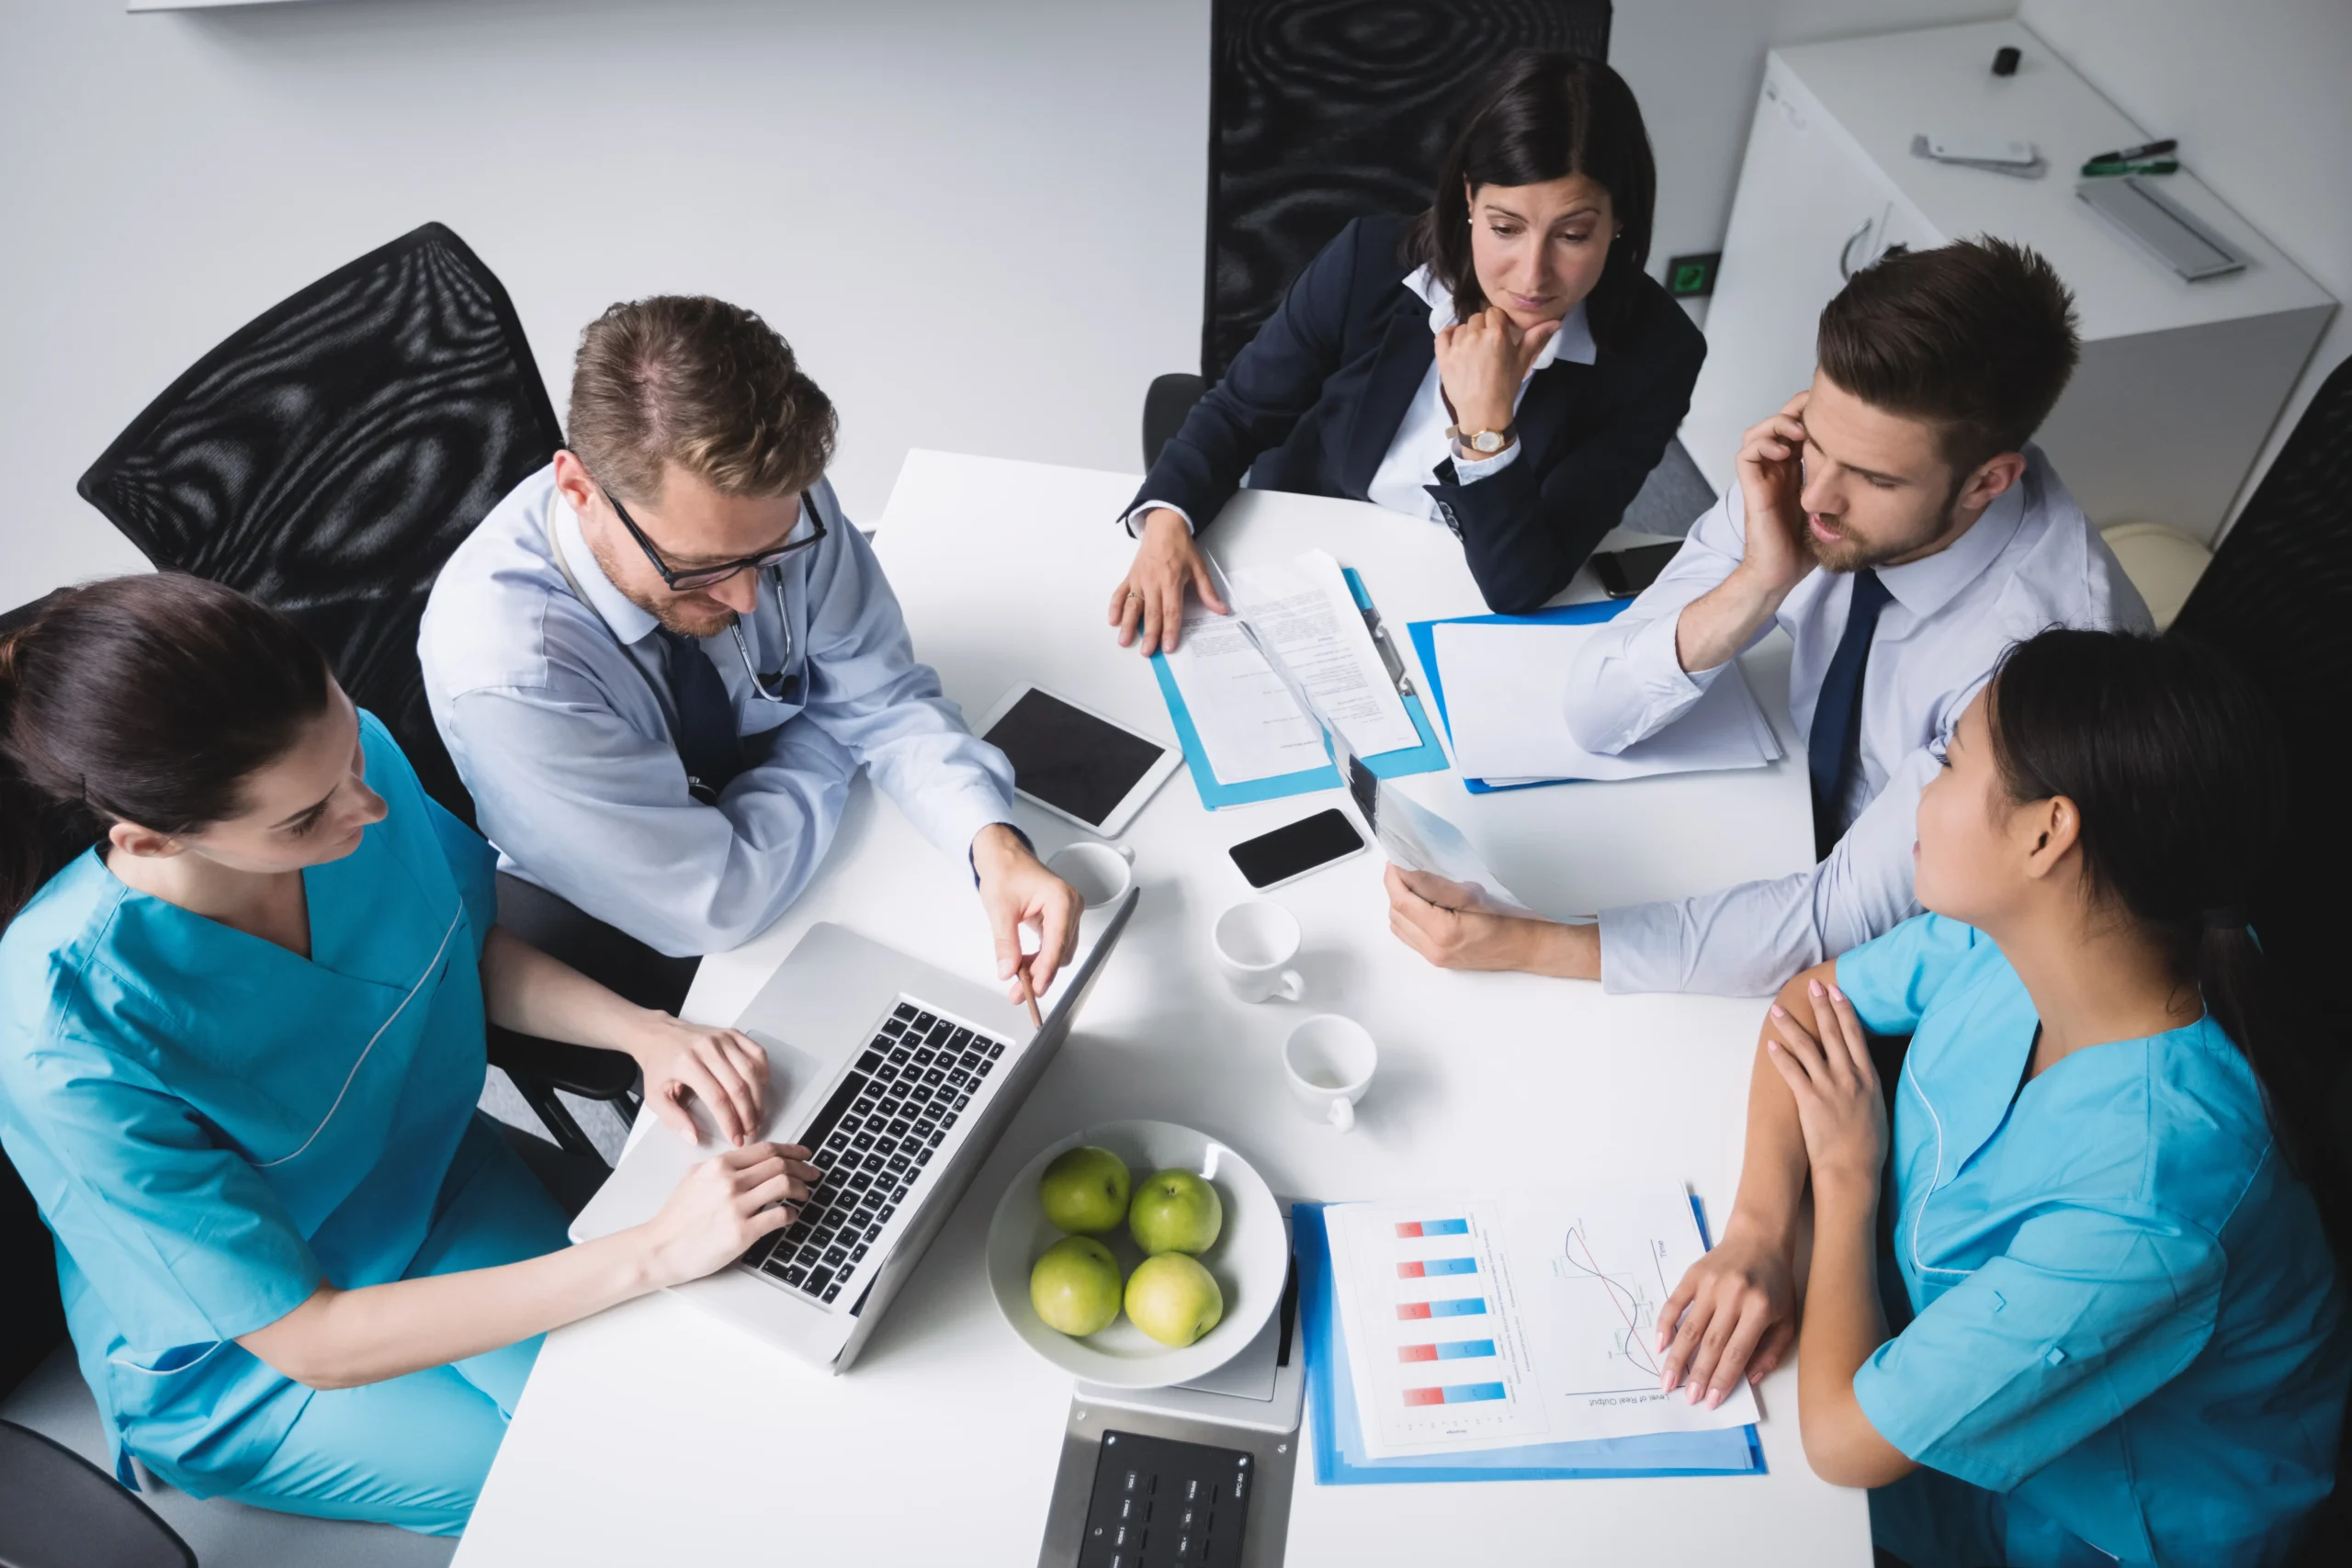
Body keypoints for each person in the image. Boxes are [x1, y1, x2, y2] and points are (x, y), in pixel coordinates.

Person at [0, 575, 812, 1535]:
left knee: (695, 1402)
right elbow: (311, 1338)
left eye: (347, 749)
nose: (364, 806)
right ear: (151, 838)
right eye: (302, 820)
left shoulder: (347, 767)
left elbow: (449, 938)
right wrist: (653, 1252)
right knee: (596, 1487)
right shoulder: (65, 1031)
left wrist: (640, 1031)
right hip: (252, 1356)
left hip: (431, 1186)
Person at [1657, 629, 2347, 1567]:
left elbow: (1845, 1444)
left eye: (1946, 760)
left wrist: (1847, 1180)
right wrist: (1759, 1233)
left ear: (2043, 832)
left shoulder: (2152, 1196)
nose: (1921, 785)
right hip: (1927, 1367)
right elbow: (1807, 1005)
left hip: (2089, 1519)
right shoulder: (2040, 930)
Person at [1385, 238, 2150, 995]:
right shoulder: (1812, 473)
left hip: (1946, 947)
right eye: (1818, 439)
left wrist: (1532, 941)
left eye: (1874, 478)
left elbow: (1837, 916)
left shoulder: (2041, 656)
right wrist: (1758, 579)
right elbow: (1596, 710)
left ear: (1988, 482)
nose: (1818, 497)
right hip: (1779, 817)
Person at [421, 295, 1079, 1010]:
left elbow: (885, 697)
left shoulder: (765, 498)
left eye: (770, 557)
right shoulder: (510, 679)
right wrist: (827, 725)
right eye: (699, 566)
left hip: (794, 837)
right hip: (638, 911)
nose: (747, 599)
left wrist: (992, 843)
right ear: (580, 490)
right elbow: (717, 902)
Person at [1110, 50, 1704, 649]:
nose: (1532, 275)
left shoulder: (1656, 358)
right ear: (1469, 198)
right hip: (1316, 559)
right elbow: (1238, 411)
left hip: (1466, 606)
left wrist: (1486, 429)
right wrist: (1166, 520)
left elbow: (1518, 584)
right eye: (1505, 228)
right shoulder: (1367, 263)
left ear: (1618, 220)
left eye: (1573, 235)